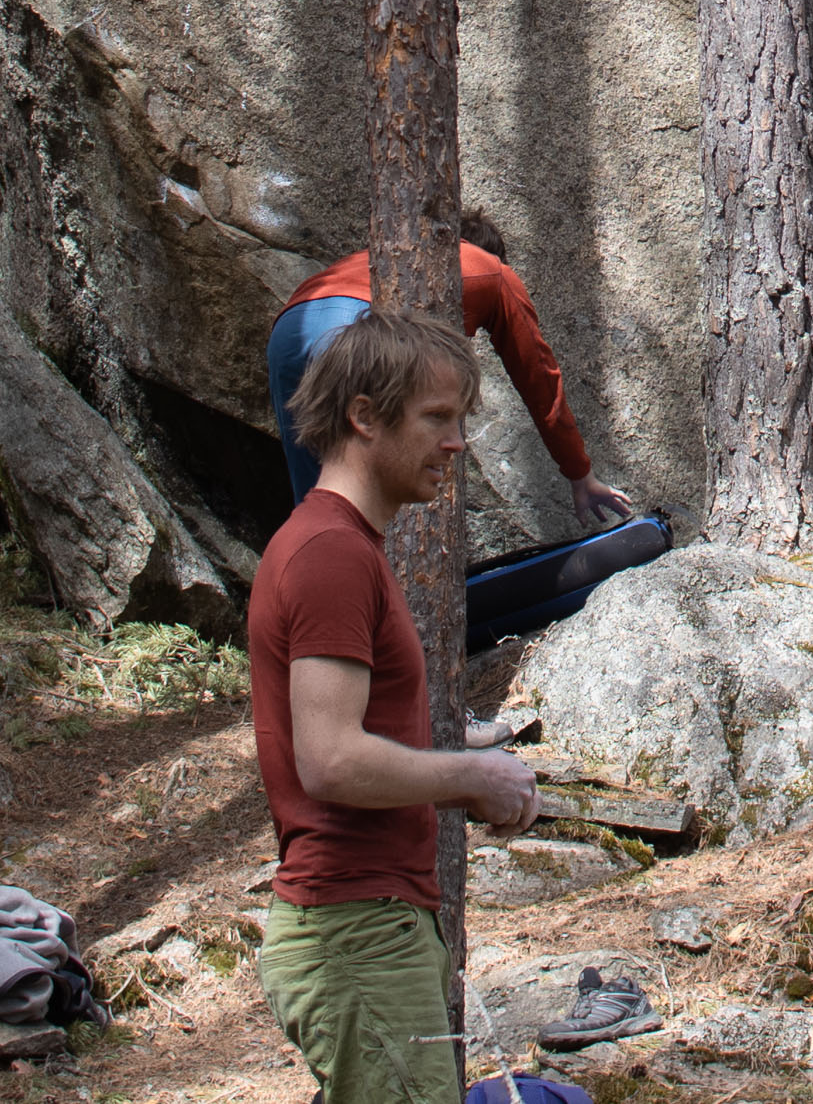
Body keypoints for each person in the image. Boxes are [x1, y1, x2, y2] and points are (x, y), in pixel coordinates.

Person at [250, 311, 540, 1104]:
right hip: (355, 933)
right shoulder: (331, 556)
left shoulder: (344, 547)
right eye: (436, 419)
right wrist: (474, 775)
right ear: (365, 416)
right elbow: (331, 758)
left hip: (372, 928)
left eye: (460, 421)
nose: (457, 443)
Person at [267, 209, 633, 530]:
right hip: (359, 332)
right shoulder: (494, 272)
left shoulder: (394, 254)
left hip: (290, 328)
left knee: (318, 503)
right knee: (375, 498)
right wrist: (580, 474)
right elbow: (539, 376)